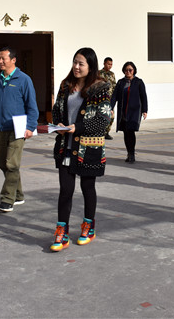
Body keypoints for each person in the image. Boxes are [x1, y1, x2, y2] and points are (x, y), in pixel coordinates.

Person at [50, 47, 111, 252]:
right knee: (65, 190)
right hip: (66, 146)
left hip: (88, 148)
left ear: (90, 66)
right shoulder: (65, 85)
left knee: (87, 188)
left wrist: (78, 127)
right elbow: (57, 110)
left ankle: (88, 227)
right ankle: (62, 232)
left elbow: (103, 119)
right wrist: (58, 125)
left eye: (81, 63)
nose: (76, 67)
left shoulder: (100, 88)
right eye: (75, 62)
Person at [0, 47, 39, 212]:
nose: (0, 61)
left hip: (18, 128)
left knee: (12, 164)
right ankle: (19, 195)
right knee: (4, 164)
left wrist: (31, 126)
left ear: (13, 60)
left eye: (3, 58)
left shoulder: (24, 80)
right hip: (1, 127)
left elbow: (32, 105)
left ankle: (7, 199)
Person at [111, 61, 148, 163]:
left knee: (130, 131)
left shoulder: (139, 82)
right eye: (126, 70)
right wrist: (111, 107)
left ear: (134, 70)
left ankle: (131, 153)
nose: (128, 72)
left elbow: (143, 97)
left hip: (134, 112)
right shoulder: (120, 82)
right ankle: (129, 153)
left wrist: (144, 110)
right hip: (123, 112)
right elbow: (114, 96)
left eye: (130, 70)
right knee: (125, 132)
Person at [98, 57, 117, 140]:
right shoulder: (98, 73)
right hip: (101, 99)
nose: (110, 66)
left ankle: (106, 132)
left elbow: (114, 85)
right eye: (108, 64)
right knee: (100, 116)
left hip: (110, 99)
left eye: (111, 64)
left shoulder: (112, 74)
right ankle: (100, 132)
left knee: (111, 117)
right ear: (104, 63)